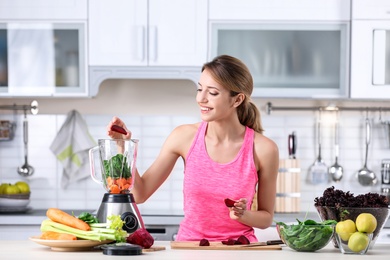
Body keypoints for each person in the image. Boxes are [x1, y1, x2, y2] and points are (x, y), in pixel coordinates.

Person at [107, 55, 279, 242]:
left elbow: (266, 218)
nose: (201, 98)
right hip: (190, 249)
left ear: (237, 100)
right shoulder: (183, 137)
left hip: (238, 251)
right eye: (199, 89)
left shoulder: (264, 149)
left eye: (212, 93)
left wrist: (243, 214)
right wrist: (123, 147)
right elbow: (140, 194)